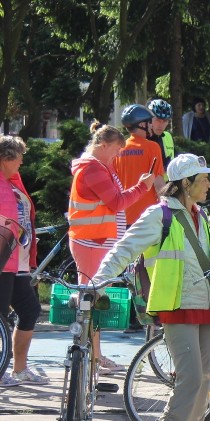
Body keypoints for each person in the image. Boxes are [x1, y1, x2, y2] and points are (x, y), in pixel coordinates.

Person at [93, 153, 210, 421]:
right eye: (202, 178)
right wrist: (98, 281)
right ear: (185, 183)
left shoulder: (201, 216)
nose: (208, 183)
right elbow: (125, 248)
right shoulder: (159, 215)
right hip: (176, 306)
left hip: (206, 306)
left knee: (205, 377)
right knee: (191, 376)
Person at [68, 122, 155, 373]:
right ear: (103, 145)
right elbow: (117, 202)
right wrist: (142, 187)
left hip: (94, 241)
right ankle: (92, 360)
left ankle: (94, 357)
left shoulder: (99, 167)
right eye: (117, 150)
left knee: (94, 300)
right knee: (91, 301)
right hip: (91, 242)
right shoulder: (93, 169)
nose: (119, 155)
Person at [0, 136, 45, 387]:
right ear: (6, 158)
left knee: (29, 310)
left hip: (19, 262)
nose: (22, 160)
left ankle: (19, 369)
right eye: (18, 156)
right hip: (3, 262)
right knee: (1, 317)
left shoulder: (12, 183)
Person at [113, 104, 166, 226]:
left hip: (123, 218)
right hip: (147, 217)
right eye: (150, 122)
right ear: (142, 124)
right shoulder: (152, 147)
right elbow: (159, 185)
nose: (152, 125)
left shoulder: (119, 149)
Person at [147, 99, 175, 166]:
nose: (161, 125)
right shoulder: (142, 138)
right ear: (149, 119)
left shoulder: (168, 136)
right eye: (158, 120)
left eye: (165, 121)